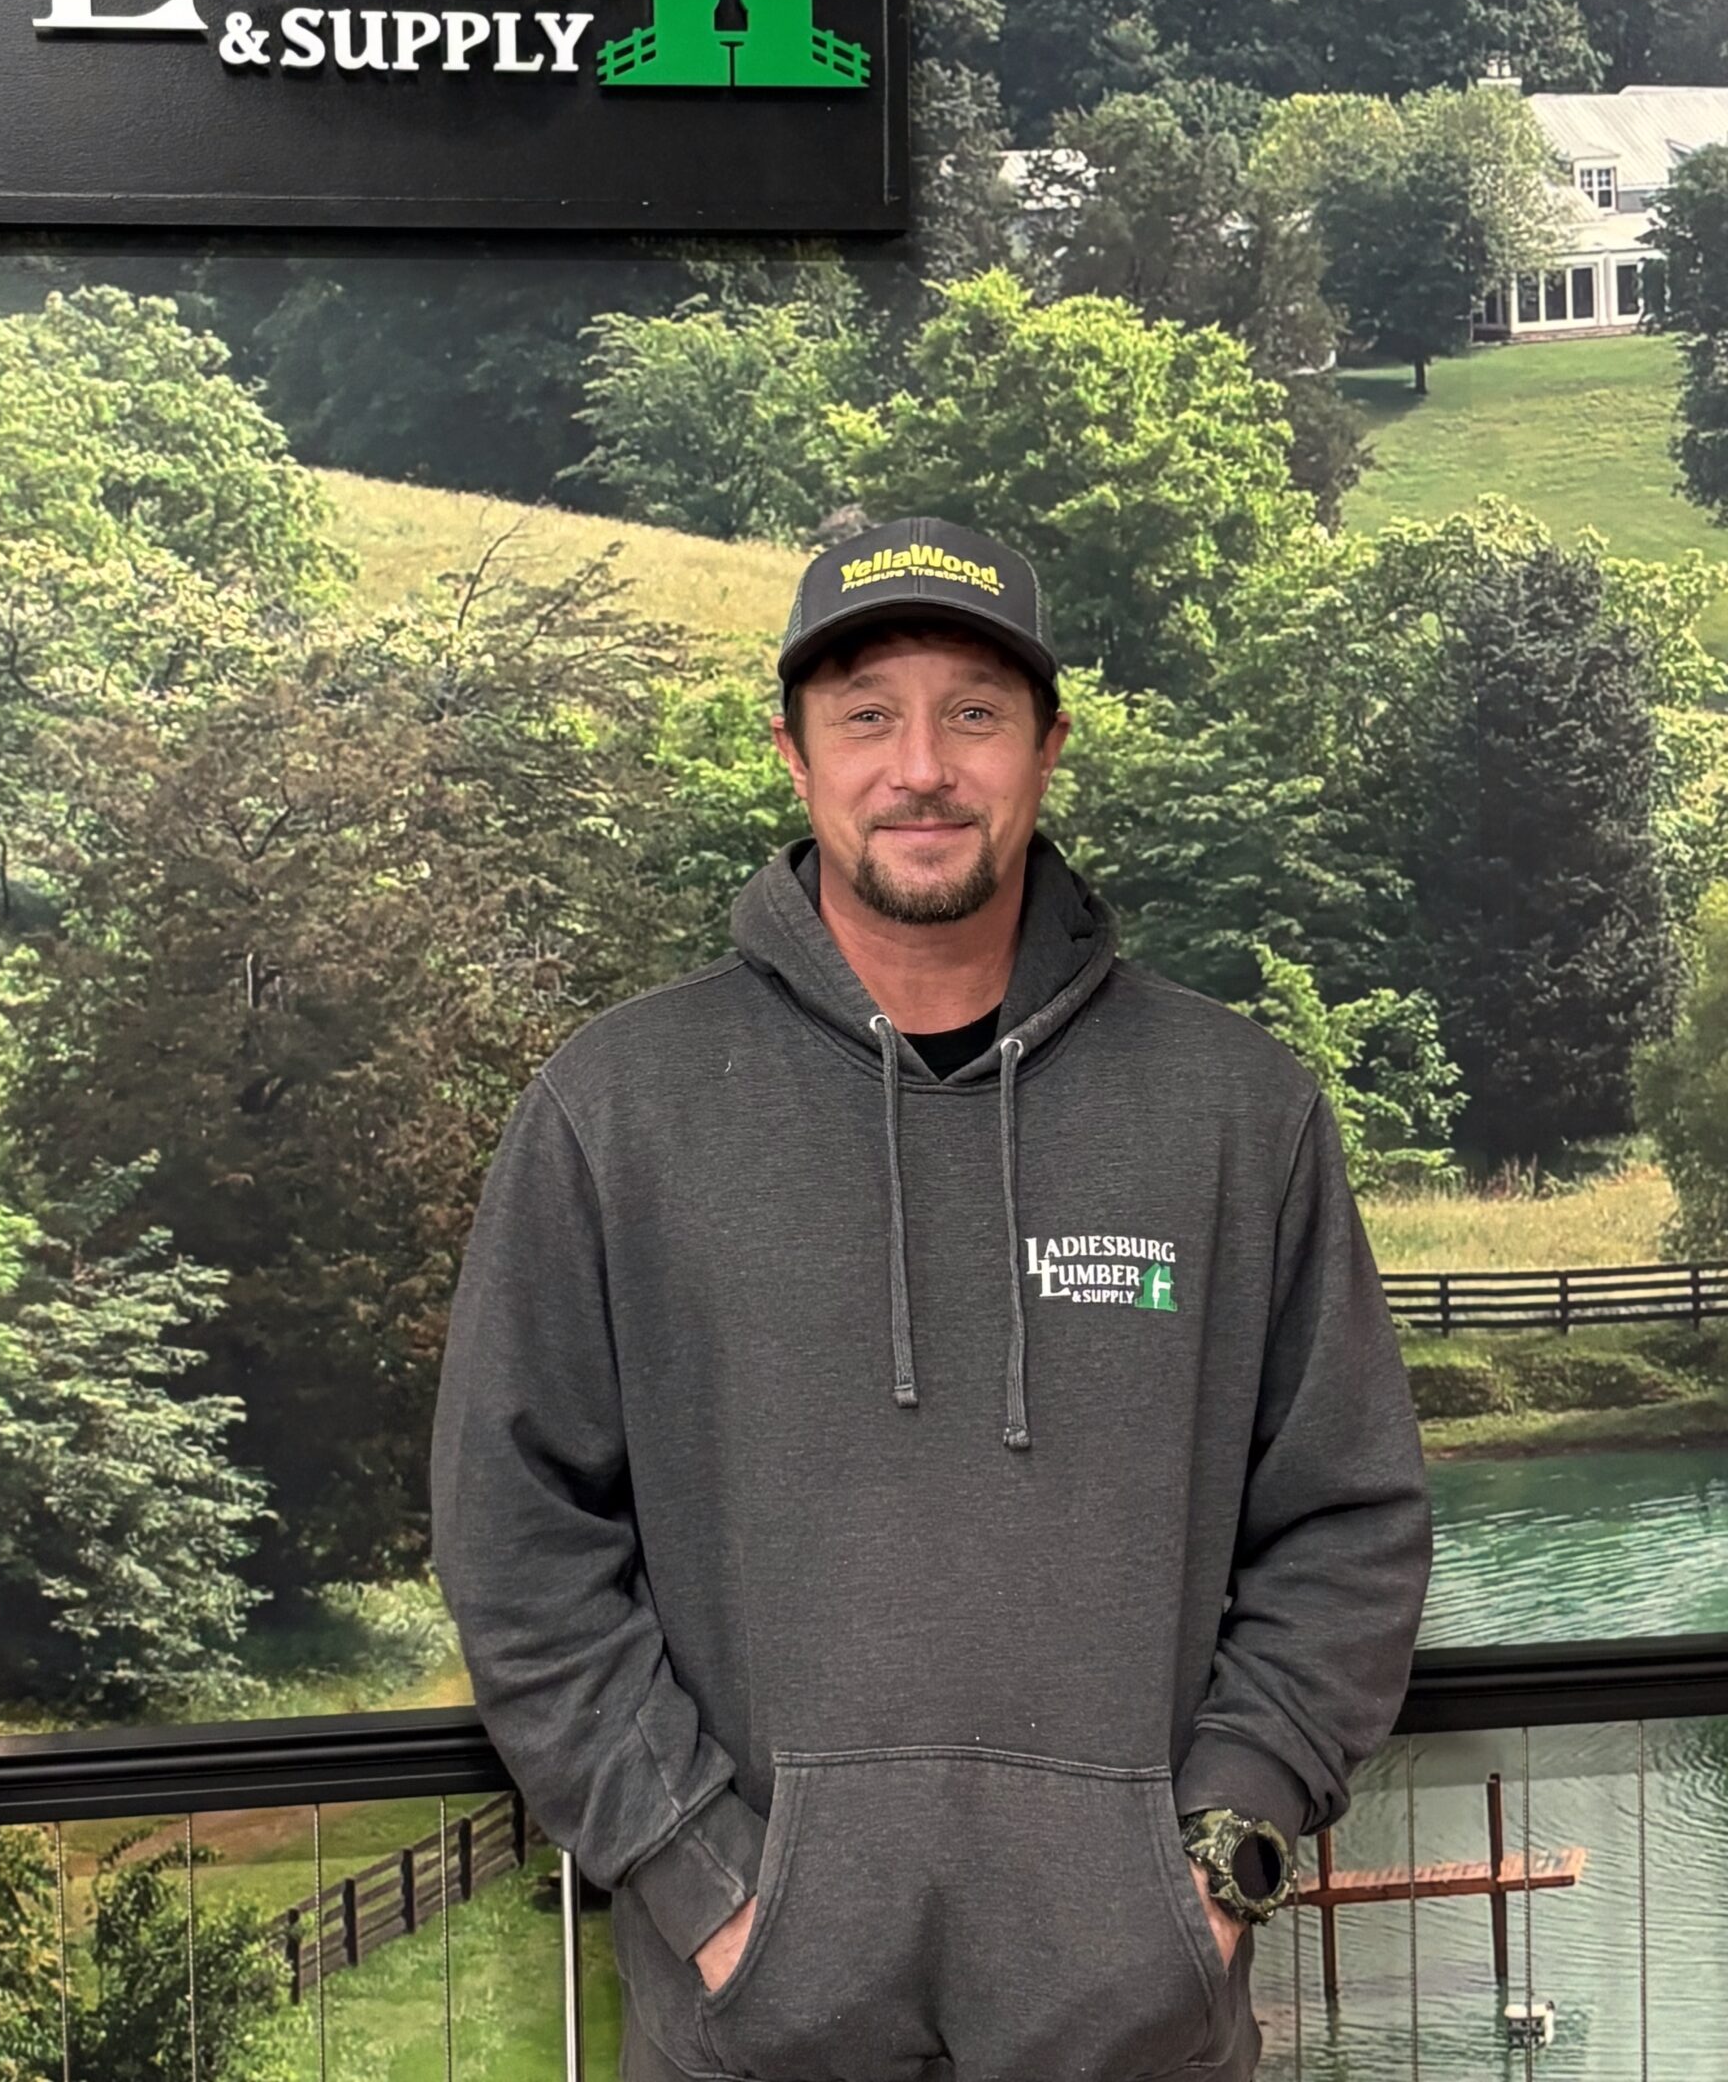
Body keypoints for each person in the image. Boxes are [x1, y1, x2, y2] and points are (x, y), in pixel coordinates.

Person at [432, 512, 1433, 2082]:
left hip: (1140, 2035)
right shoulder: (617, 1107)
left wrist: (1216, 1866)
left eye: (972, 712)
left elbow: (1350, 1526)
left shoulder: (1239, 1113)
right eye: (867, 715)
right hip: (755, 2030)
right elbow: (517, 1536)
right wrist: (706, 1886)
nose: (922, 766)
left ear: (1047, 747)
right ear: (794, 752)